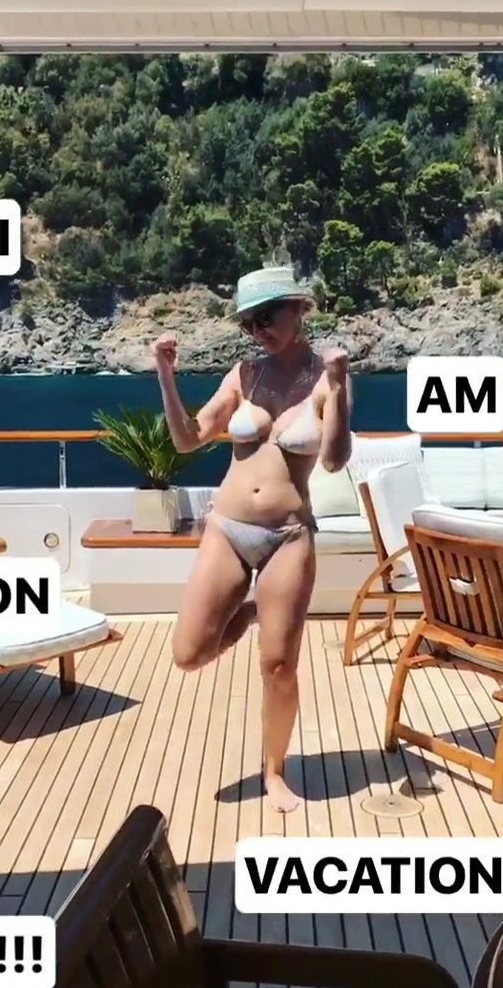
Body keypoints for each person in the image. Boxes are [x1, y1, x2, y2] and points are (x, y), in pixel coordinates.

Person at [151, 266, 352, 812]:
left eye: (266, 318)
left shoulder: (326, 378)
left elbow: (334, 460)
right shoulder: (243, 375)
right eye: (249, 323)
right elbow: (188, 438)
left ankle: (275, 771)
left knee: (279, 667)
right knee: (189, 655)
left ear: (298, 310)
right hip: (228, 527)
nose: (258, 331)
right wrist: (166, 374)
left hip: (289, 535)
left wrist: (338, 390)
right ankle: (251, 611)